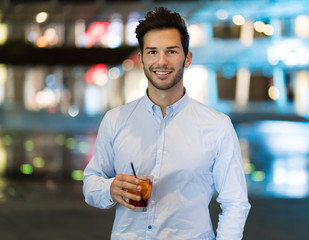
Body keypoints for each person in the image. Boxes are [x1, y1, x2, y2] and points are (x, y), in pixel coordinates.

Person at [83, 7, 250, 240]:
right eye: (152, 52)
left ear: (188, 58)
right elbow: (91, 183)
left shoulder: (217, 126)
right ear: (140, 59)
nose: (161, 61)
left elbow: (235, 202)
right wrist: (109, 189)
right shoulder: (115, 120)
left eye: (171, 51)